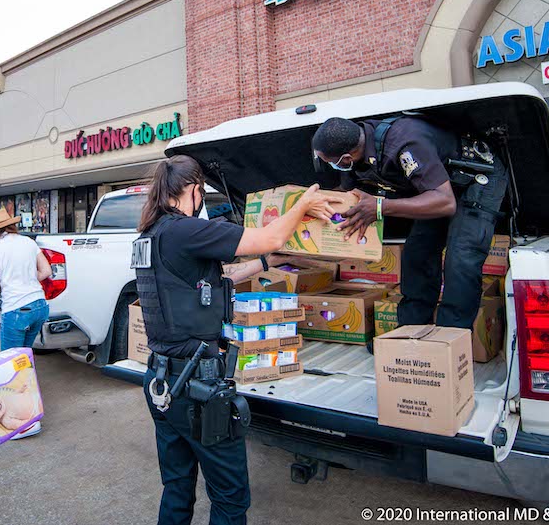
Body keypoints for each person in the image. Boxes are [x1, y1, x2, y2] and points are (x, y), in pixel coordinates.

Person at [133, 155, 334, 525]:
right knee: (230, 498)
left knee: (176, 487)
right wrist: (303, 203)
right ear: (193, 190)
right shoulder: (185, 230)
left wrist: (268, 261)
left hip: (162, 382)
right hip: (198, 387)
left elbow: (221, 275)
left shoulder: (153, 235)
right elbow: (271, 234)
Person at [311, 115, 508, 332]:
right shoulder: (357, 155)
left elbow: (445, 202)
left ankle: (450, 337)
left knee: (461, 258)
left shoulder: (405, 142)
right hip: (434, 188)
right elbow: (349, 195)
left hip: (475, 179)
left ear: (346, 158)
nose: (330, 167)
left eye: (330, 163)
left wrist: (380, 207)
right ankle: (410, 332)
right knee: (417, 253)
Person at [0, 208, 51, 439]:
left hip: (16, 311)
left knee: (10, 367)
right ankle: (30, 410)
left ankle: (24, 423)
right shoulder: (28, 242)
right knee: (24, 362)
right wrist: (25, 281)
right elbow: (45, 271)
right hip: (39, 305)